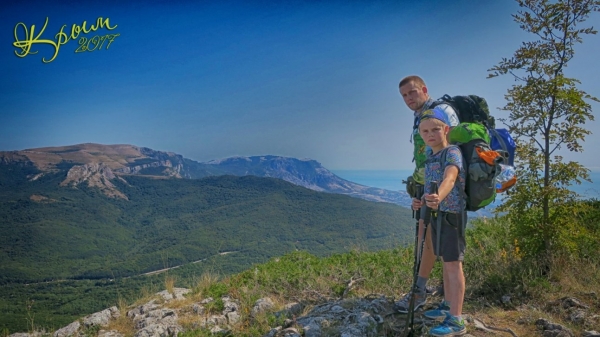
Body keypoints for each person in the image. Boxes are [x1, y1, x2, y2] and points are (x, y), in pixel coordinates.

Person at [395, 75, 459, 316]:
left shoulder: (440, 111)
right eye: (404, 96)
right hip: (427, 184)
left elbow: (452, 150)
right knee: (428, 237)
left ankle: (421, 293)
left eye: (412, 93)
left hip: (441, 187)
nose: (408, 99)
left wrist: (443, 188)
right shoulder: (419, 116)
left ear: (424, 89)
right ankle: (441, 291)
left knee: (432, 239)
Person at [413, 107, 467, 336]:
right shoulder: (430, 157)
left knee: (453, 264)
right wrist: (422, 202)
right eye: (425, 131)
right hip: (437, 215)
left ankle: (457, 321)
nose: (430, 134)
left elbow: (450, 178)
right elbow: (430, 188)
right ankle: (447, 305)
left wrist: (438, 197)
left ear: (446, 129)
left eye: (435, 129)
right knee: (445, 261)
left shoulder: (452, 152)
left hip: (451, 215)